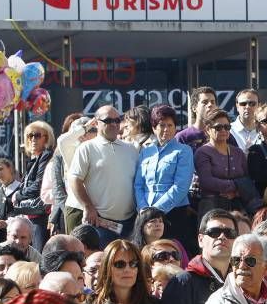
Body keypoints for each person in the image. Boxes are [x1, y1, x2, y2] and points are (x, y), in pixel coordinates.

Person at [66, 105, 139, 244]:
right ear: (97, 122)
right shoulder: (87, 148)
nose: (113, 124)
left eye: (117, 120)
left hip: (130, 222)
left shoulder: (131, 149)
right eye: (108, 120)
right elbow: (74, 179)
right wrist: (88, 206)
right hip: (100, 222)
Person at [134, 104, 195, 247]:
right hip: (146, 212)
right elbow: (138, 184)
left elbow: (181, 186)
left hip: (174, 212)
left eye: (170, 125)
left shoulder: (184, 151)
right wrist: (143, 208)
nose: (166, 129)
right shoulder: (146, 151)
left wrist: (157, 211)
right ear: (154, 128)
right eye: (162, 125)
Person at [195, 108, 250, 215]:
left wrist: (236, 193)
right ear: (207, 130)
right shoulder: (203, 152)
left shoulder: (238, 152)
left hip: (237, 205)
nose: (224, 130)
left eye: (227, 127)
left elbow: (247, 178)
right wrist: (235, 185)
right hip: (212, 206)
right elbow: (206, 181)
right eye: (218, 127)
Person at [48, 114, 97, 236]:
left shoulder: (103, 150)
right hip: (77, 208)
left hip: (101, 208)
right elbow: (63, 141)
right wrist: (84, 128)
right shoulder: (72, 152)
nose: (83, 136)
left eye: (90, 130)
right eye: (77, 133)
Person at [14, 121, 55, 251]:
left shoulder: (46, 155)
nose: (32, 139)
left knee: (39, 252)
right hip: (32, 215)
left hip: (41, 216)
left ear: (46, 138)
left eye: (37, 135)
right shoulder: (34, 159)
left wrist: (18, 195)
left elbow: (39, 185)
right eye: (29, 136)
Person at [175, 86, 218, 151]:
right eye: (205, 102)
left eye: (213, 102)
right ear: (194, 108)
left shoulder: (223, 133)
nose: (210, 105)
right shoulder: (182, 137)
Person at [230, 88, 260, 152]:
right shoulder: (228, 130)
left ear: (259, 106)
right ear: (237, 106)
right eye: (243, 104)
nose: (247, 107)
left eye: (252, 103)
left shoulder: (264, 130)